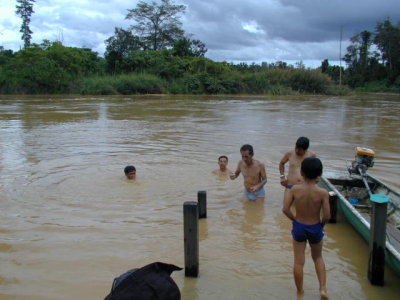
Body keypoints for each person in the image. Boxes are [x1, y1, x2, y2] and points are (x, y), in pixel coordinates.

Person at [282, 157, 330, 299]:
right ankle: (322, 289)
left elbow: (285, 209)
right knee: (318, 257)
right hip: (315, 227)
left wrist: (295, 220)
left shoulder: (294, 190)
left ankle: (300, 292)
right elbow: (327, 216)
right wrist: (321, 225)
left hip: (299, 227)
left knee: (298, 261)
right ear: (319, 174)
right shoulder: (322, 193)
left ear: (301, 172)